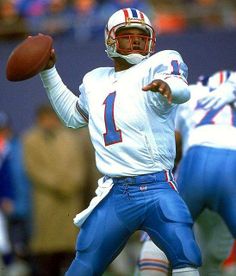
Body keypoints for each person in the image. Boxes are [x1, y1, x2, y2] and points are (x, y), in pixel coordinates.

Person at [38, 8, 202, 275]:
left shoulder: (160, 63)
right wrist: (48, 72)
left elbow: (180, 87)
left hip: (156, 186)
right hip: (115, 192)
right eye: (127, 35)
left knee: (186, 254)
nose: (136, 40)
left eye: (142, 35)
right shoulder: (94, 79)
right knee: (84, 263)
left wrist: (170, 87)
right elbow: (73, 117)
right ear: (110, 39)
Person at [136, 70, 236, 276]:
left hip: (195, 161)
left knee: (160, 234)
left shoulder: (189, 94)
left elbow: (170, 142)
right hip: (232, 166)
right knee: (215, 255)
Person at [22, 104, 94, 276]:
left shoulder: (71, 139)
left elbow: (80, 168)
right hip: (46, 201)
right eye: (45, 118)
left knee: (70, 249)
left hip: (70, 201)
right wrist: (59, 184)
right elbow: (33, 168)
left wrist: (70, 184)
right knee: (47, 252)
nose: (49, 122)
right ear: (39, 120)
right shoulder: (30, 139)